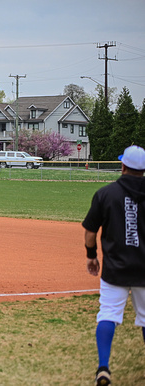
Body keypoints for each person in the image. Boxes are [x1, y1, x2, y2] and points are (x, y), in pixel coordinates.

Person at [82, 145, 145, 386]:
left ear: (123, 166)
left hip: (115, 267)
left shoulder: (106, 193)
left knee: (108, 313)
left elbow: (90, 232)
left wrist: (91, 255)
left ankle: (103, 368)